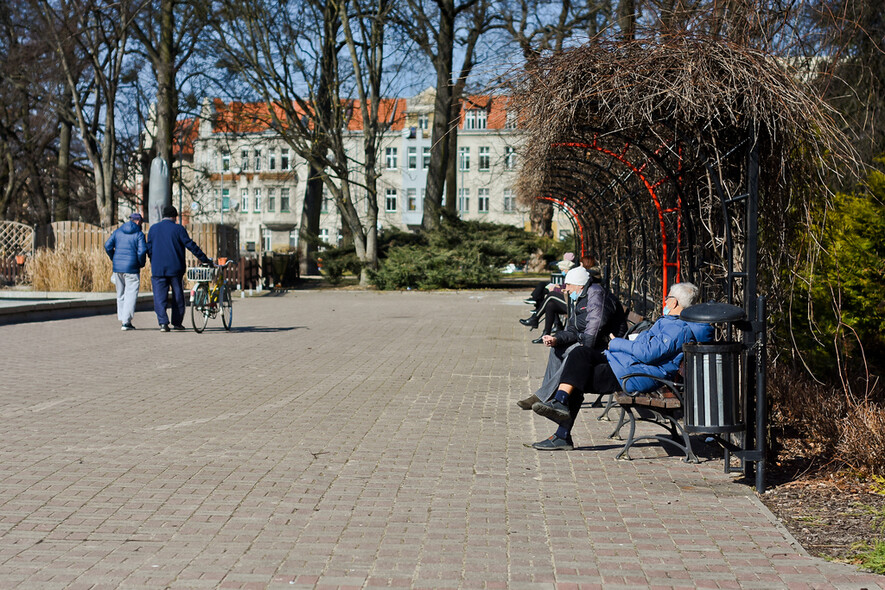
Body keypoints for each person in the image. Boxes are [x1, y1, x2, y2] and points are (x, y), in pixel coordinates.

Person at [528, 282, 714, 451]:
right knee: (580, 355)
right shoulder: (671, 323)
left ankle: (561, 427)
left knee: (579, 372)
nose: (665, 301)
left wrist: (616, 343)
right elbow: (646, 348)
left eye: (668, 298)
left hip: (639, 375)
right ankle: (560, 404)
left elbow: (647, 353)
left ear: (674, 302)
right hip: (629, 365)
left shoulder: (676, 328)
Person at [516, 265, 627, 409]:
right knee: (557, 349)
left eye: (568, 284)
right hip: (592, 342)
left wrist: (583, 350)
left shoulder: (596, 295)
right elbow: (573, 329)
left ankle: (543, 396)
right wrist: (556, 338)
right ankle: (547, 395)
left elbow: (595, 326)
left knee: (574, 354)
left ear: (579, 284)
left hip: (608, 346)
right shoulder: (581, 298)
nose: (565, 288)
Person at [146, 205, 212, 332]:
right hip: (175, 268)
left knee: (159, 297)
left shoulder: (153, 229)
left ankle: (163, 323)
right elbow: (190, 245)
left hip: (158, 269)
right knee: (178, 296)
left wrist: (152, 259)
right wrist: (204, 259)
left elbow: (149, 248)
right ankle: (177, 323)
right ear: (175, 217)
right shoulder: (178, 229)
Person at [104, 212, 148, 330]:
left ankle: (122, 318)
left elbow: (107, 245)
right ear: (138, 221)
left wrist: (114, 258)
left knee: (121, 294)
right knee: (131, 294)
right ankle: (126, 322)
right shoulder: (139, 234)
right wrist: (141, 263)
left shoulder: (118, 231)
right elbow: (142, 251)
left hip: (118, 268)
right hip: (132, 268)